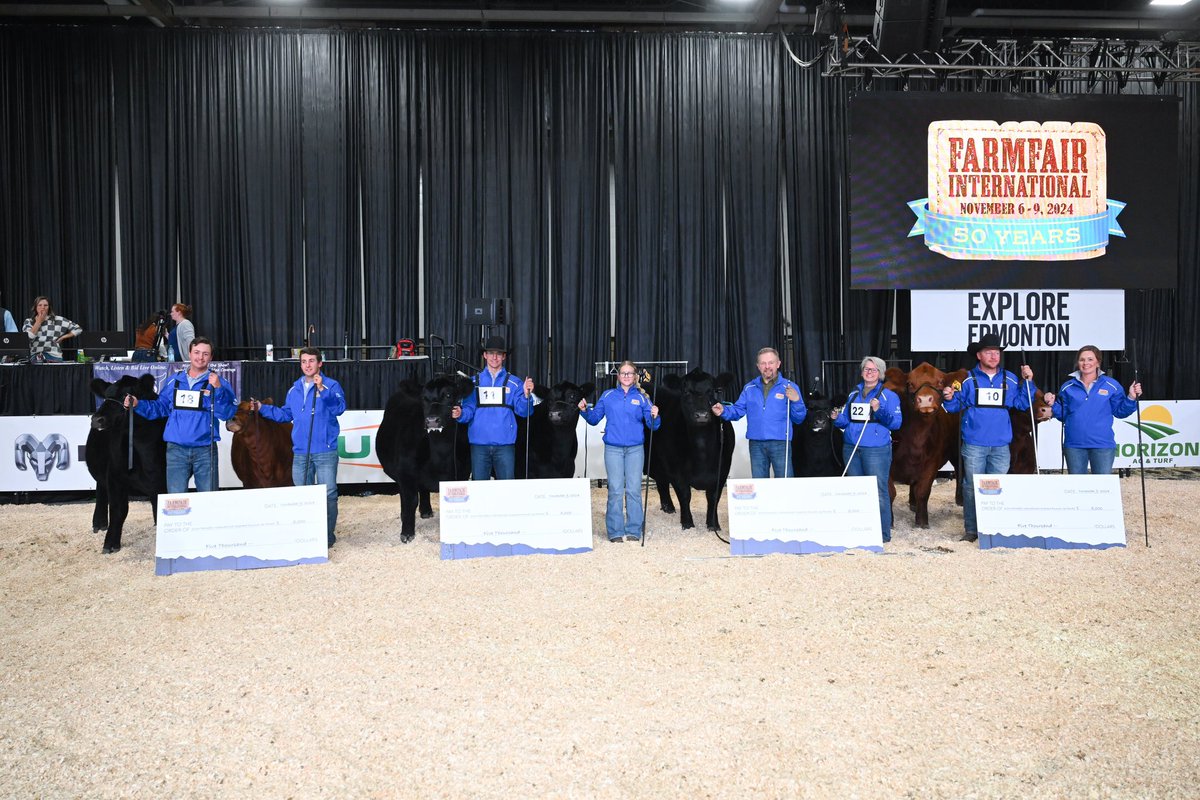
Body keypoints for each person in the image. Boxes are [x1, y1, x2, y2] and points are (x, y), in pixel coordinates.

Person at [942, 333, 1037, 542]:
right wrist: (948, 397)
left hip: (1001, 443)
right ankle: (972, 530)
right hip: (974, 442)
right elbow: (954, 406)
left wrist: (1028, 382)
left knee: (997, 485)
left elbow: (1022, 404)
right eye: (988, 352)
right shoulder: (967, 379)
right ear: (979, 355)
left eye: (997, 352)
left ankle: (994, 528)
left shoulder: (1011, 378)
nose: (994, 356)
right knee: (971, 486)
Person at [250, 348, 347, 547]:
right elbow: (286, 414)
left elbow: (339, 408)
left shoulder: (331, 385)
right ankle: (307, 534)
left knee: (328, 494)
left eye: (312, 361)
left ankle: (327, 536)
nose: (308, 365)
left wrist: (322, 390)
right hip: (301, 452)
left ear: (320, 363)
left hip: (325, 451)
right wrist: (262, 408)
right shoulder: (294, 389)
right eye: (304, 361)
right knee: (302, 495)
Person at [124, 336, 235, 493]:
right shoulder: (174, 381)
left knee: (209, 500)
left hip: (205, 449)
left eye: (205, 354)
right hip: (176, 450)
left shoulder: (219, 382)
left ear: (211, 357)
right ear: (189, 354)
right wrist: (137, 404)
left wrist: (218, 390)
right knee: (176, 501)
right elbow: (160, 408)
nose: (200, 357)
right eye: (196, 352)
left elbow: (226, 413)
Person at [579, 361, 661, 542]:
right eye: (623, 373)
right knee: (615, 490)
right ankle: (615, 531)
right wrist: (585, 410)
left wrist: (655, 415)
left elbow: (653, 425)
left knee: (633, 489)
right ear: (618, 376)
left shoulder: (642, 398)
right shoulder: (608, 396)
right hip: (613, 449)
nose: (626, 376)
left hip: (635, 450)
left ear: (635, 376)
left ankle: (634, 529)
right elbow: (594, 419)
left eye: (630, 373)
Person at [1042, 345, 1142, 475]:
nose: (1086, 363)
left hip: (1102, 445)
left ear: (1098, 362)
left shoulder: (1111, 385)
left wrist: (1131, 397)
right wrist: (1052, 403)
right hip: (1074, 445)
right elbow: (1063, 415)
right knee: (1076, 488)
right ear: (1078, 363)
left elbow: (1120, 412)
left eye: (1090, 359)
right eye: (1082, 360)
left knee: (1101, 488)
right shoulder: (1068, 387)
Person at [834, 356, 903, 542]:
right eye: (866, 369)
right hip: (851, 447)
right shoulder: (854, 394)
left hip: (876, 449)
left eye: (873, 370)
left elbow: (896, 423)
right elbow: (847, 420)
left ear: (880, 374)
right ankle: (859, 530)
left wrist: (879, 410)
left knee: (879, 490)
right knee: (856, 490)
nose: (869, 372)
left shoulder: (889, 396)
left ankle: (882, 534)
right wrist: (836, 418)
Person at [712, 347, 807, 478]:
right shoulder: (749, 388)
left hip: (781, 443)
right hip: (756, 444)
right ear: (758, 366)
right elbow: (738, 410)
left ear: (778, 364)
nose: (767, 366)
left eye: (771, 362)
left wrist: (796, 401)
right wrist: (723, 410)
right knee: (760, 486)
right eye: (763, 363)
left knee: (785, 485)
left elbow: (799, 419)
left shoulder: (790, 387)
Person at [451, 336, 534, 480]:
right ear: (484, 355)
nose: (494, 357)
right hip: (479, 445)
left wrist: (527, 395)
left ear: (504, 357)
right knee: (480, 491)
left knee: (507, 490)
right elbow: (468, 411)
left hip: (505, 445)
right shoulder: (473, 383)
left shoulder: (515, 383)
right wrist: (460, 413)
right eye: (490, 353)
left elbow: (524, 411)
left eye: (498, 353)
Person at [22, 296, 82, 362]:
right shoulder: (29, 321)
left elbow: (78, 329)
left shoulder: (58, 320)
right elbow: (29, 338)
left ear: (49, 307)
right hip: (35, 356)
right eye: (40, 305)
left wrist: (63, 337)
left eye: (45, 305)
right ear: (35, 307)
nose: (42, 307)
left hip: (54, 356)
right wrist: (38, 322)